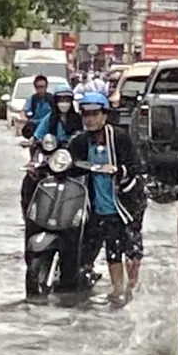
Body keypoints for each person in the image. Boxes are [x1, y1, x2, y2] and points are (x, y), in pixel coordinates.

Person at [68, 91, 146, 304]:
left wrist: (117, 171)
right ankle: (117, 291)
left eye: (94, 114)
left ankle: (132, 288)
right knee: (112, 250)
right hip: (101, 206)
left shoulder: (119, 137)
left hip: (127, 204)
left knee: (132, 251)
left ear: (104, 115)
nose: (90, 119)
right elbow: (68, 162)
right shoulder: (80, 141)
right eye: (85, 115)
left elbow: (136, 167)